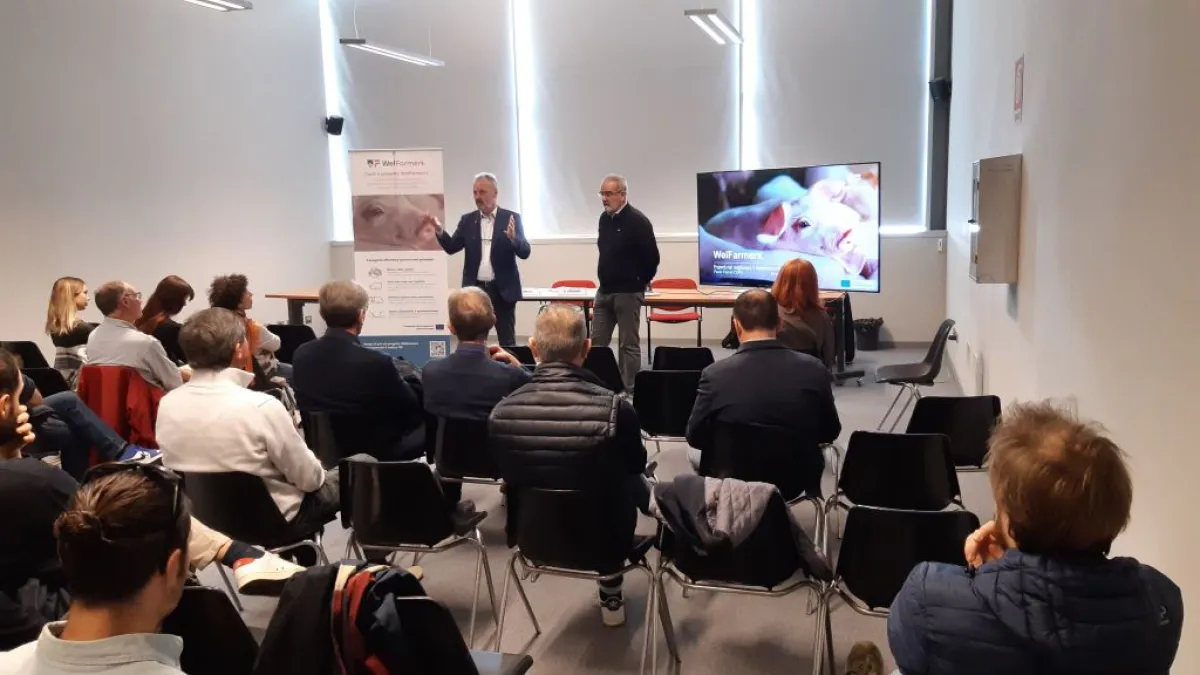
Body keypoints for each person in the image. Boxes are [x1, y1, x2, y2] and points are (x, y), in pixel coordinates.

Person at [0, 352, 305, 652]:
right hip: (44, 629)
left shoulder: (25, 478)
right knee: (138, 525)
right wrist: (16, 460)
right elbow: (108, 515)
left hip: (21, 612)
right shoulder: (33, 482)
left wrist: (11, 452)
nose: (26, 408)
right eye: (19, 400)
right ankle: (238, 555)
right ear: (4, 406)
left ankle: (237, 554)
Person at [887, 401, 1183, 675]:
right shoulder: (1161, 603)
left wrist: (981, 575)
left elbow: (914, 653)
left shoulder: (923, 600)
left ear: (1010, 524)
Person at [489, 305, 651, 627]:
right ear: (587, 348)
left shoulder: (501, 413)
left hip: (533, 538)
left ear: (533, 348)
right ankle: (611, 590)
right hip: (606, 541)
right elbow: (636, 465)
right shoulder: (617, 410)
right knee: (627, 480)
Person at [157, 308, 338, 541]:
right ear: (239, 350)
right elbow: (310, 480)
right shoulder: (262, 406)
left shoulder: (168, 404)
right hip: (273, 525)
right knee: (357, 468)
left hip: (204, 526)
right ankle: (370, 555)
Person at [686, 289, 841, 473]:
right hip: (797, 478)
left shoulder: (714, 375)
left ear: (736, 326)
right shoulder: (814, 369)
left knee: (695, 453)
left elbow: (694, 436)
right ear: (780, 324)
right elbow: (830, 431)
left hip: (732, 478)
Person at [292, 281, 425, 461]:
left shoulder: (301, 354)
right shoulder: (376, 362)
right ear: (361, 315)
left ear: (322, 314)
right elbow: (410, 407)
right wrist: (413, 380)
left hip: (324, 451)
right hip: (379, 454)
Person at [424, 288, 531, 508]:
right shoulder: (511, 376)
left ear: (451, 327)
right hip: (498, 462)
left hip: (449, 460)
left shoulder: (431, 372)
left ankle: (448, 504)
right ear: (493, 321)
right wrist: (519, 366)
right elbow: (539, 392)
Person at [435, 173, 532, 346]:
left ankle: (509, 363)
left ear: (495, 193)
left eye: (482, 192)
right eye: (475, 192)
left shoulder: (511, 218)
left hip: (503, 290)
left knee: (507, 341)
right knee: (471, 339)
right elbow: (452, 247)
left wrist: (513, 239)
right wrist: (440, 231)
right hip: (475, 290)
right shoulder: (468, 220)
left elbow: (525, 252)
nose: (478, 197)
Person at [592, 173, 659, 391]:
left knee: (627, 345)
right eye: (602, 194)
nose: (604, 198)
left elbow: (652, 258)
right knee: (597, 344)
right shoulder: (604, 220)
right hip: (604, 291)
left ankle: (629, 390)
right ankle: (598, 387)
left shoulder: (638, 221)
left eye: (609, 193)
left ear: (622, 195)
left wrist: (639, 281)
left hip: (628, 293)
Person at [86, 281, 191, 392]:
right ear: (125, 301)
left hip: (103, 401)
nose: (141, 301)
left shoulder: (92, 337)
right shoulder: (145, 343)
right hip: (147, 402)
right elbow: (175, 383)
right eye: (137, 296)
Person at [207, 274, 288, 383]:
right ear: (239, 303)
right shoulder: (252, 328)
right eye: (246, 292)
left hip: (223, 377)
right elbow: (276, 344)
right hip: (262, 376)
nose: (251, 294)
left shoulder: (212, 324)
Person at [773, 258, 835, 367]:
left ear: (781, 281)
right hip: (812, 374)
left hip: (775, 374)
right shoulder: (822, 318)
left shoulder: (769, 313)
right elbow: (828, 358)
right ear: (813, 285)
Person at [44, 277, 94, 389]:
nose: (88, 298)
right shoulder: (83, 329)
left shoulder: (56, 330)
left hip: (61, 384)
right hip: (78, 387)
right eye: (85, 293)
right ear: (71, 296)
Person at [135, 275, 196, 365]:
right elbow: (193, 360)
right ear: (175, 301)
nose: (184, 304)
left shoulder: (136, 323)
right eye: (183, 299)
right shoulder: (172, 329)